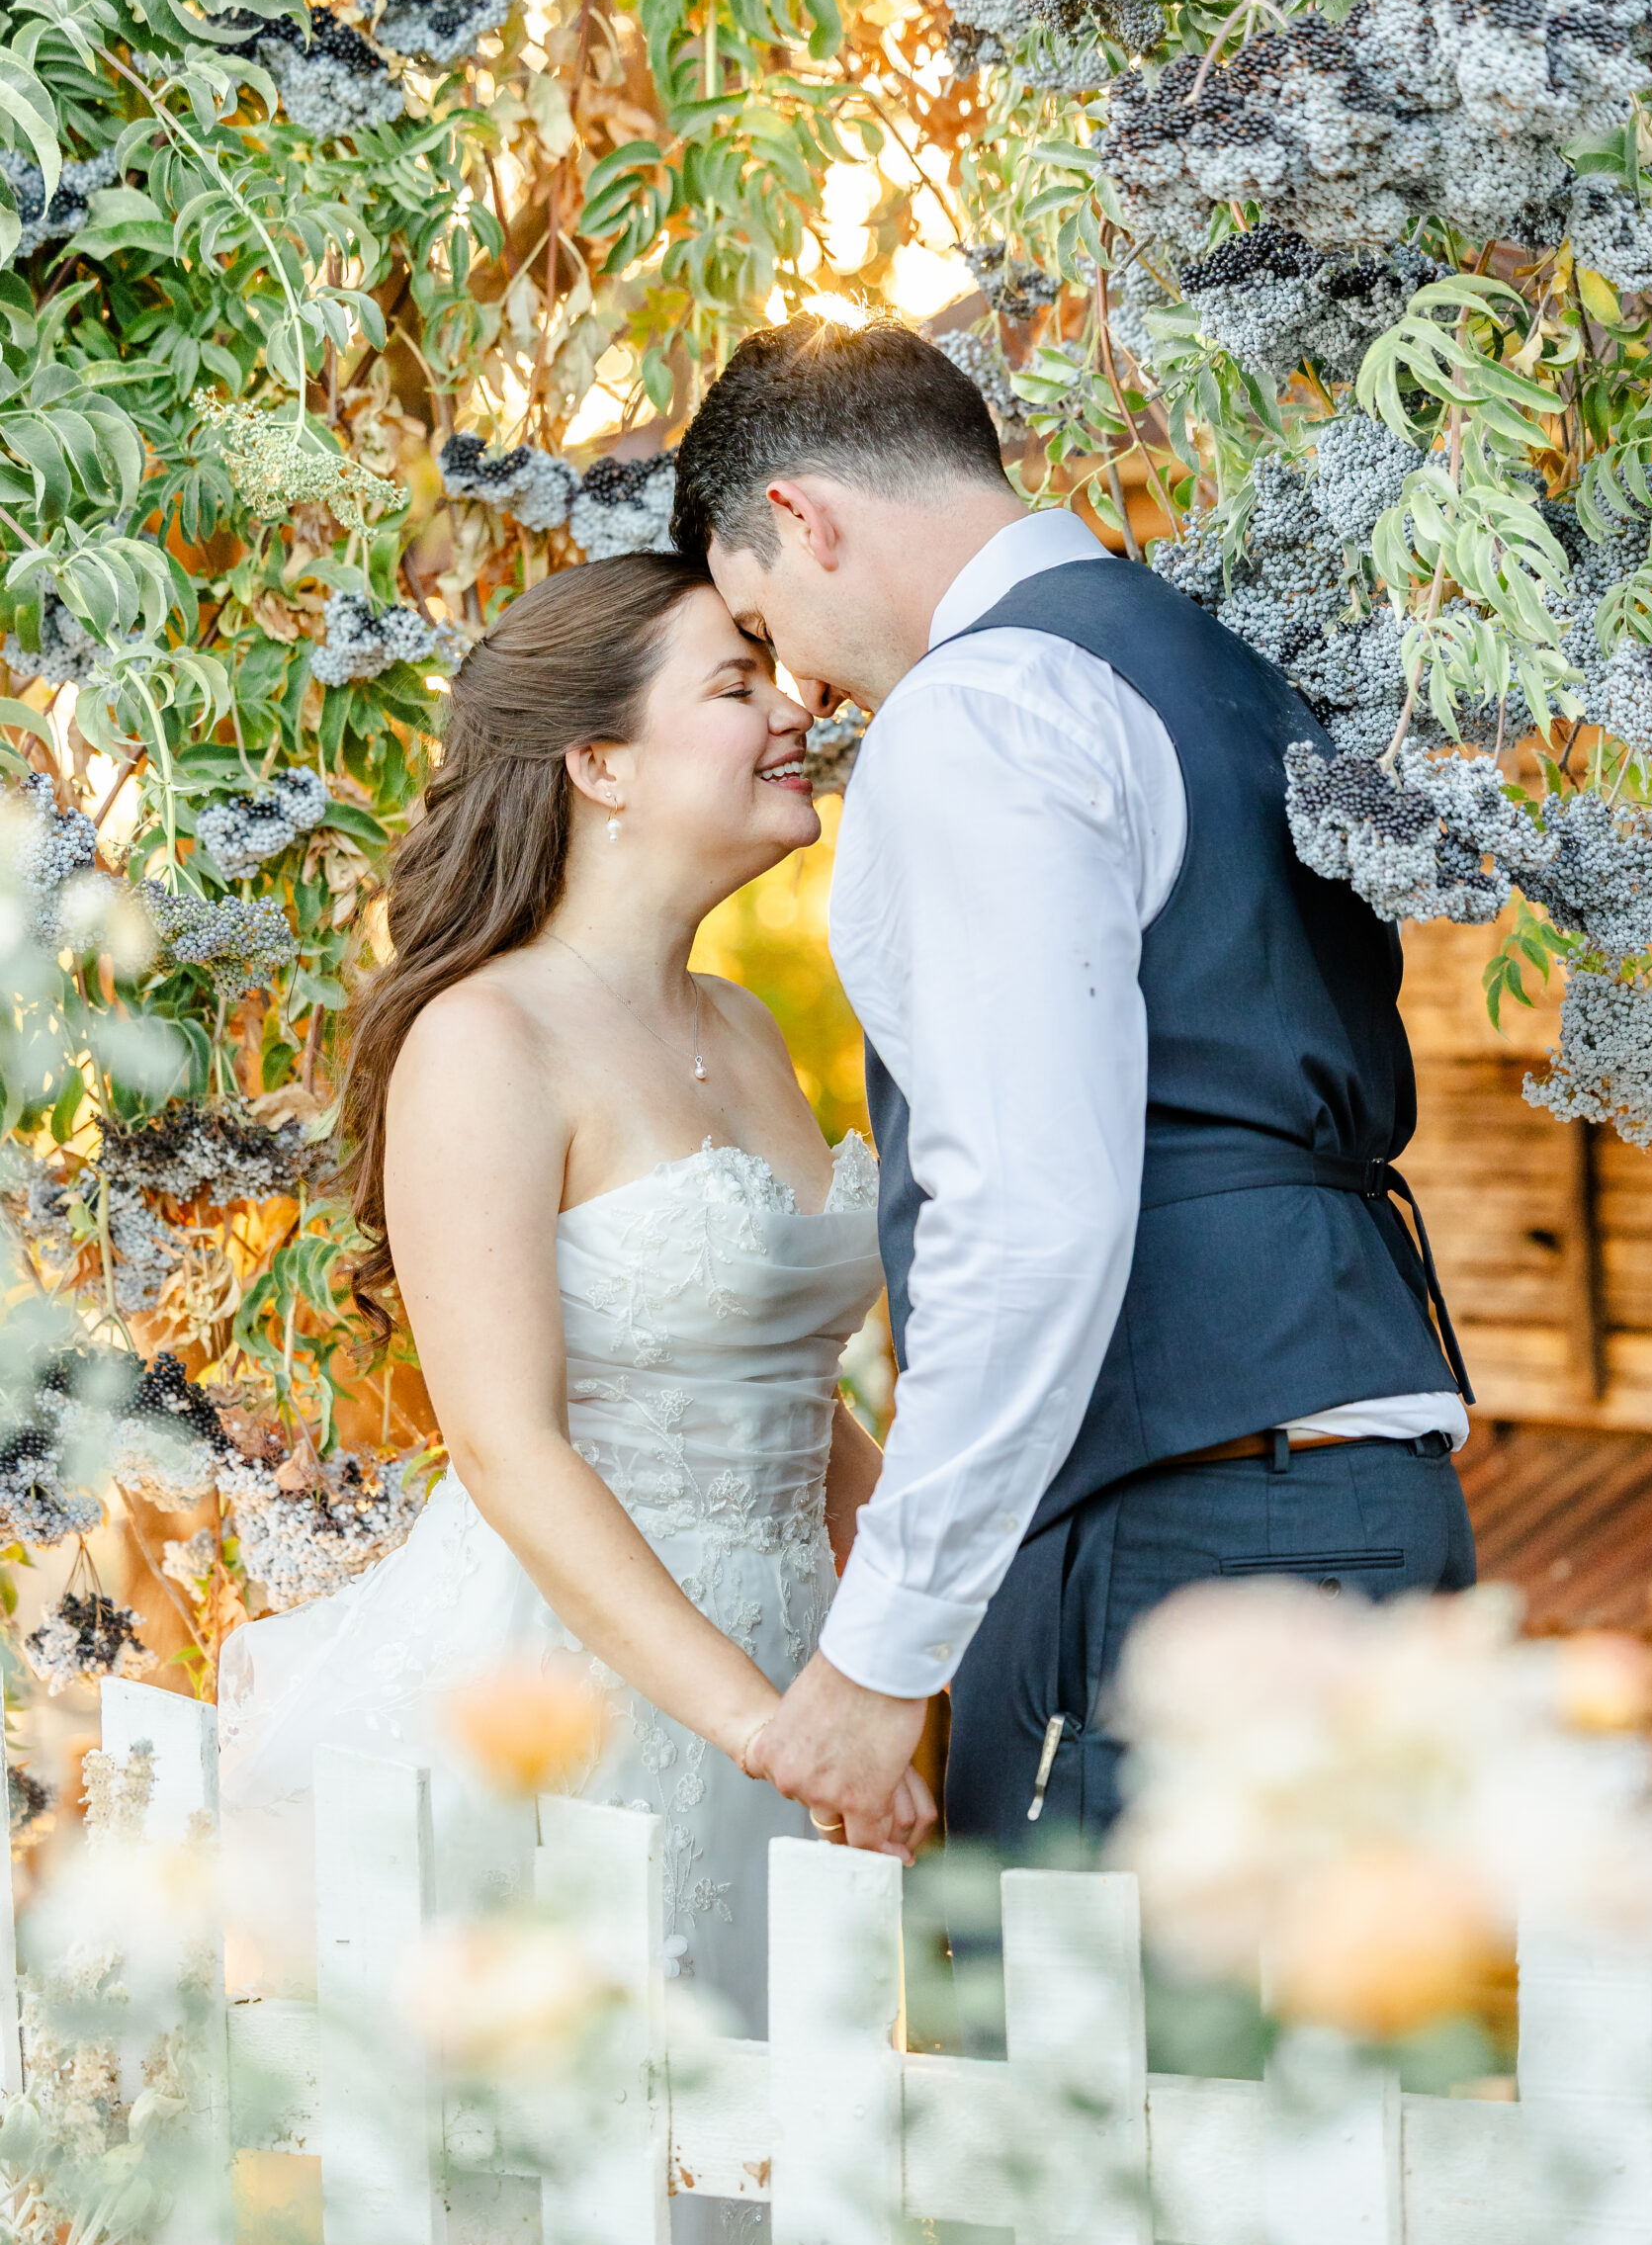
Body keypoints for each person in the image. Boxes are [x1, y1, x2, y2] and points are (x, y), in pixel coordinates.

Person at [671, 312, 1478, 1857]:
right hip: (1358, 1499)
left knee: (1094, 2083)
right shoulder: (1203, 665)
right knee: (1350, 2087)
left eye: (764, 627)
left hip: (1179, 1533)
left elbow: (1029, 1214)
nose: (804, 694)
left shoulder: (981, 712)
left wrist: (878, 1657)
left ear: (802, 518)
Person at [218, 553, 935, 2068]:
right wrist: (755, 1725)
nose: (791, 712)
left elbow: (783, 1402)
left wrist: (913, 1613)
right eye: (734, 688)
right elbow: (505, 1446)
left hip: (790, 1653)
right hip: (579, 1678)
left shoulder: (740, 1024)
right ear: (599, 760)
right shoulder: (482, 1040)